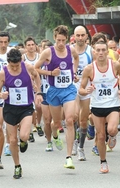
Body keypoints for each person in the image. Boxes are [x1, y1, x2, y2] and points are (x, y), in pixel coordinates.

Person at [34, 25, 79, 169]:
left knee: (70, 120)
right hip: (53, 90)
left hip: (69, 89)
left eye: (63, 40)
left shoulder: (70, 50)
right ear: (54, 38)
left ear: (66, 39)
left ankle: (69, 157)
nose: (60, 44)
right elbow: (35, 68)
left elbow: (76, 58)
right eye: (58, 40)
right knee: (56, 122)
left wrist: (74, 72)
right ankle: (54, 134)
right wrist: (51, 73)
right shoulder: (48, 52)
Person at [78, 41, 120, 173]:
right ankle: (103, 162)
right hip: (97, 105)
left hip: (113, 103)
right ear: (94, 52)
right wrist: (86, 90)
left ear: (107, 51)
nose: (100, 53)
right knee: (100, 136)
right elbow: (81, 89)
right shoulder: (89, 69)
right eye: (98, 50)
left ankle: (113, 135)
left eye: (103, 50)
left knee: (111, 129)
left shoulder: (115, 65)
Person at [0, 48, 42, 179]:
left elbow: (37, 76)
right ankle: (17, 166)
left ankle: (24, 141)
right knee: (12, 140)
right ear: (8, 62)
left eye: (17, 66)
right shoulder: (3, 73)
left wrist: (38, 92)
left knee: (24, 135)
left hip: (26, 107)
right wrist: (1, 95)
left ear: (21, 61)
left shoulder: (28, 67)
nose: (15, 68)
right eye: (12, 66)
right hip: (10, 108)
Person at [73, 25, 93, 161]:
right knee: (74, 116)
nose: (80, 38)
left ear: (86, 36)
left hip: (86, 87)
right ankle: (74, 141)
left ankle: (81, 147)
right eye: (78, 35)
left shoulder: (91, 51)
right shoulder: (69, 50)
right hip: (72, 87)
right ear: (74, 36)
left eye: (82, 35)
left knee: (83, 120)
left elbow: (97, 67)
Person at [23, 36, 43, 141]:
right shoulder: (23, 58)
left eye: (32, 44)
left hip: (39, 85)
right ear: (25, 47)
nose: (31, 47)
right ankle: (29, 131)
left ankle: (38, 124)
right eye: (29, 45)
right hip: (26, 87)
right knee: (29, 109)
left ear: (35, 45)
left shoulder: (40, 57)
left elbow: (41, 70)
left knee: (39, 107)